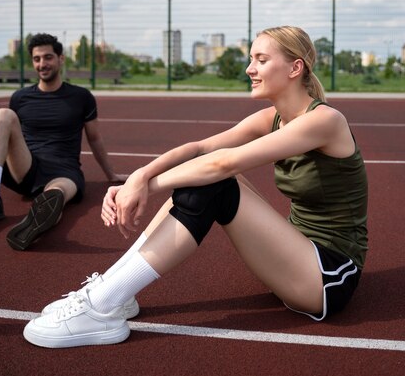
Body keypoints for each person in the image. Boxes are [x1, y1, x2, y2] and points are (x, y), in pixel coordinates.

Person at [23, 26, 368, 348]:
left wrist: (148, 186)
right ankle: (113, 293)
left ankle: (100, 307)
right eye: (251, 59)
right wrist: (139, 176)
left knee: (215, 181)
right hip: (297, 254)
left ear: (295, 68)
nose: (250, 68)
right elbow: (202, 148)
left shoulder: (325, 120)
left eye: (261, 60)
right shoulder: (273, 118)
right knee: (202, 174)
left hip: (328, 276)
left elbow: (223, 164)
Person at [0, 32, 127, 251]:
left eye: (48, 57)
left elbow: (95, 138)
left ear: (61, 59)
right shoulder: (20, 97)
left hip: (64, 170)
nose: (42, 64)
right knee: (3, 116)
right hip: (27, 166)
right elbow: (6, 135)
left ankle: (40, 219)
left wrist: (111, 175)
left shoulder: (81, 97)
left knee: (57, 193)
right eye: (37, 59)